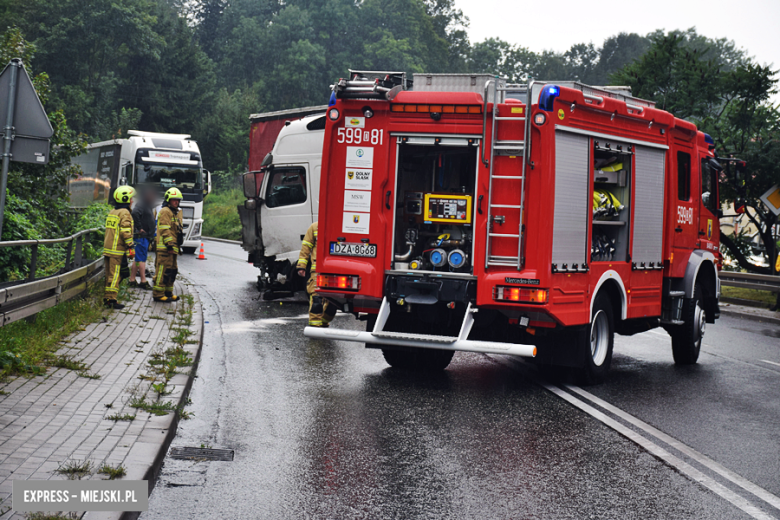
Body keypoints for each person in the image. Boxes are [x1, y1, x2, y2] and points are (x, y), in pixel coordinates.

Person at [296, 221, 335, 327]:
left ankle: (323, 321)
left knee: (333, 303)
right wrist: (301, 266)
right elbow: (306, 247)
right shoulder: (315, 227)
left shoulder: (340, 225)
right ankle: (315, 326)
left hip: (335, 270)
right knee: (316, 299)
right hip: (317, 270)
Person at [103, 186, 135, 309]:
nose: (132, 201)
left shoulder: (113, 211)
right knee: (115, 274)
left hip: (108, 249)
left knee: (110, 274)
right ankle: (112, 300)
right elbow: (125, 230)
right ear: (125, 198)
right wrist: (130, 244)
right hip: (117, 249)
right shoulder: (125, 213)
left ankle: (107, 297)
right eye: (131, 198)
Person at [153, 187, 184, 303]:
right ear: (168, 200)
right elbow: (165, 230)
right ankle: (158, 294)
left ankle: (168, 293)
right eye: (174, 200)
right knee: (162, 271)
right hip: (165, 249)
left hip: (173, 248)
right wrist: (170, 245)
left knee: (172, 271)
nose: (176, 202)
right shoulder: (165, 211)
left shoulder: (173, 212)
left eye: (178, 200)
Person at [129, 188, 156, 290]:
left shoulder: (147, 205)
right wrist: (140, 228)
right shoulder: (141, 205)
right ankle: (143, 281)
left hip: (144, 237)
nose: (153, 197)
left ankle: (132, 279)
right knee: (141, 259)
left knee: (138, 259)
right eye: (150, 195)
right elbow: (135, 213)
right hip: (141, 237)